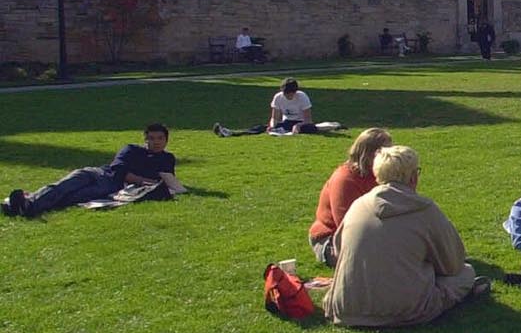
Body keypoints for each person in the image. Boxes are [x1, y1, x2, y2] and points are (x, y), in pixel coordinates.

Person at [322, 145, 487, 327]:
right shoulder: (424, 209)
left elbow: (338, 250)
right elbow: (452, 264)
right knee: (466, 273)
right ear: (413, 177)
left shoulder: (358, 205)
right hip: (407, 311)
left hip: (347, 309)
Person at [4, 123, 177, 218]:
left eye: (160, 138)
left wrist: (148, 182)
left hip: (112, 186)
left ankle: (20, 206)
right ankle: (27, 205)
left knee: (72, 197)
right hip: (99, 174)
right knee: (62, 187)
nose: (156, 142)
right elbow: (118, 169)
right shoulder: (131, 149)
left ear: (166, 140)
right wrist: (142, 180)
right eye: (152, 138)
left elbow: (166, 180)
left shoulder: (167, 158)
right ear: (145, 139)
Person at [308, 128, 392, 266]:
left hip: (371, 234)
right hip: (332, 239)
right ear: (369, 154)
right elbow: (348, 226)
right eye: (385, 153)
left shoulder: (379, 174)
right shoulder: (344, 180)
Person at [216, 77, 338, 137]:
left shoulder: (302, 97)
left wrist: (298, 126)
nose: (287, 96)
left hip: (301, 123)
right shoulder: (278, 97)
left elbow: (308, 119)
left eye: (290, 94)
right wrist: (272, 126)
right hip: (287, 122)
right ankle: (233, 133)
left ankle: (333, 126)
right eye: (285, 94)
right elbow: (275, 117)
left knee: (310, 128)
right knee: (263, 127)